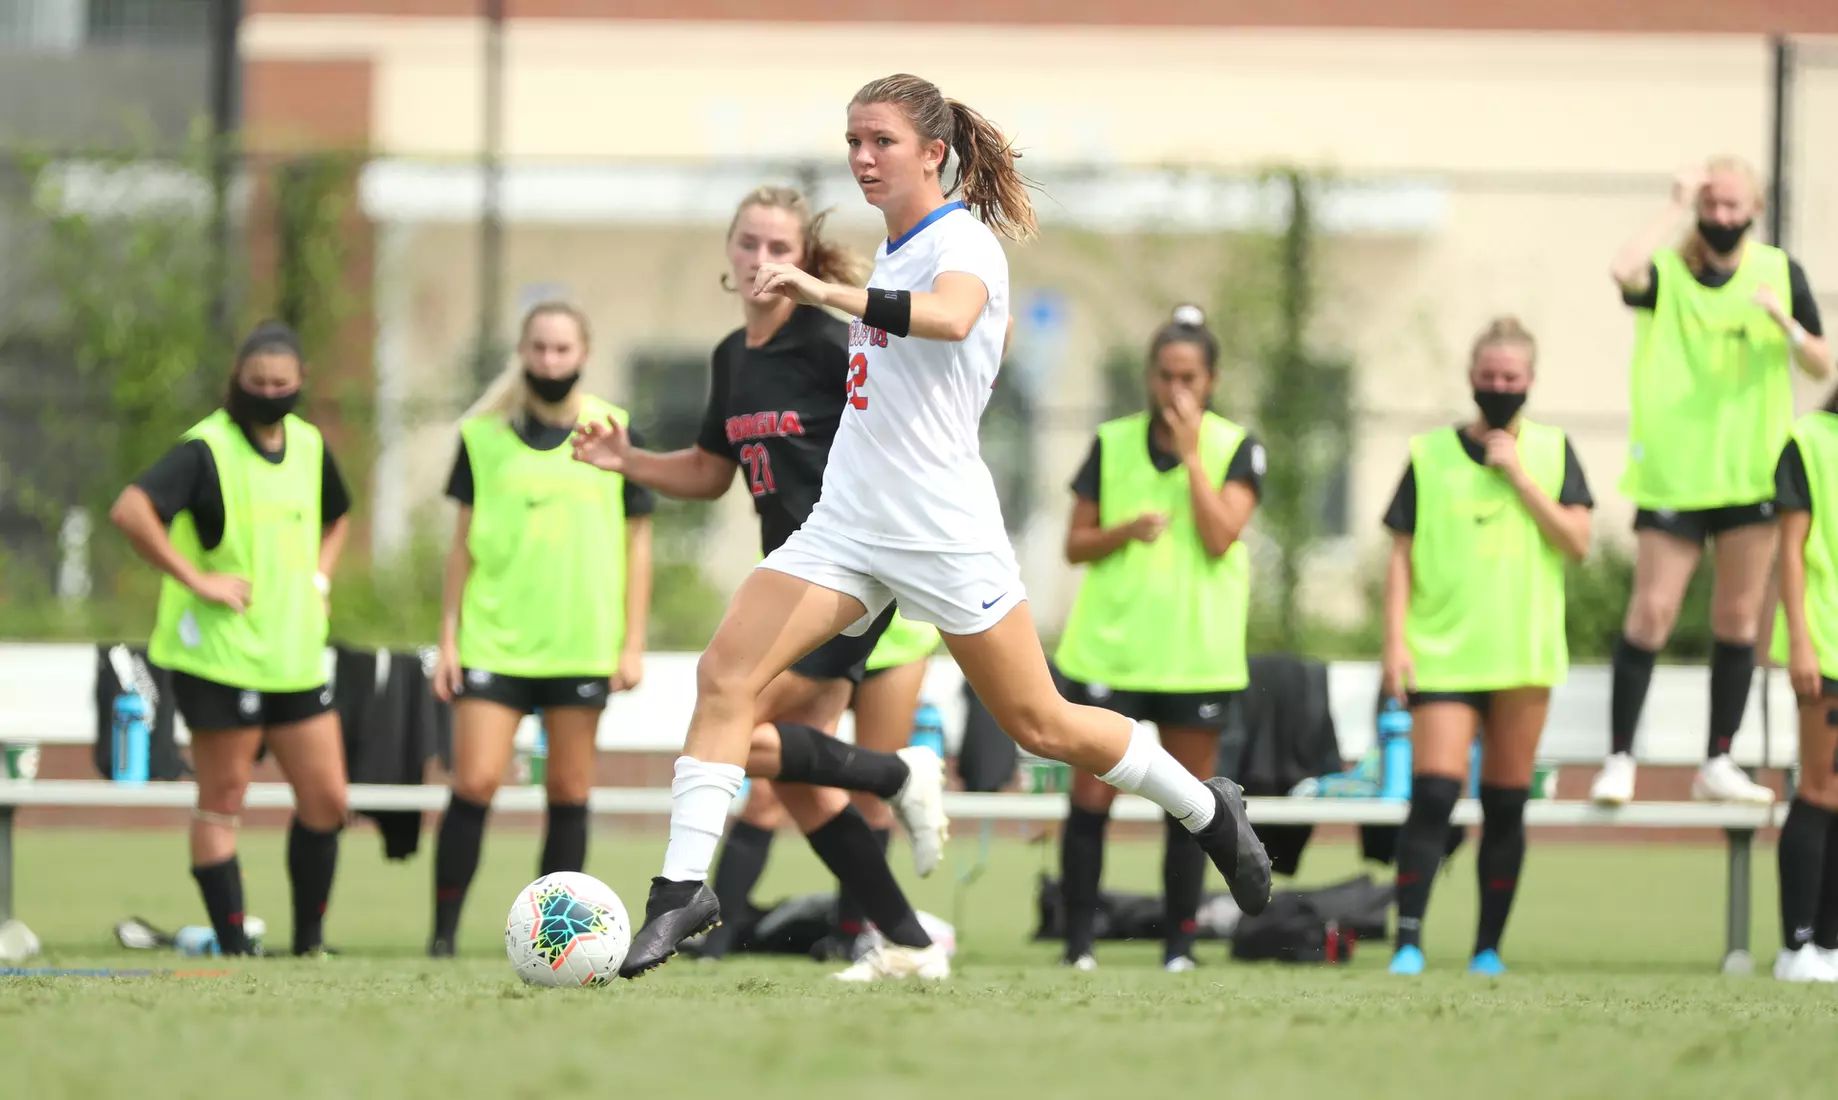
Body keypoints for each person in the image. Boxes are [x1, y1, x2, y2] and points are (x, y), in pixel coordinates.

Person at [575, 73, 1271, 982]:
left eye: (882, 141)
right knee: (725, 674)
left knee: (1042, 725)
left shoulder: (965, 244)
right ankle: (681, 890)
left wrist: (829, 295)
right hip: (848, 525)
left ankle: (1205, 807)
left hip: (943, 529)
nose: (862, 157)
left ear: (934, 152)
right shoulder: (893, 249)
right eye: (853, 141)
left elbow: (952, 319)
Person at [574, 185, 955, 979]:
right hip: (791, 578)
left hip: (844, 573)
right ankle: (909, 942)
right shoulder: (731, 357)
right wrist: (628, 460)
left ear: (803, 259)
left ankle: (889, 779)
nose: (761, 260)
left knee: (730, 714)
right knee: (801, 782)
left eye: (779, 248)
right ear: (730, 249)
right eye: (749, 243)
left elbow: (908, 415)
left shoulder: (827, 341)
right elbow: (712, 471)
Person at [1591, 157, 1832, 807]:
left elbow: (1820, 363)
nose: (1722, 217)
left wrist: (1785, 323)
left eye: (1733, 206)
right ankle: (1619, 758)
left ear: (1755, 208)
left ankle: (1718, 759)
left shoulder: (1779, 273)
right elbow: (1623, 269)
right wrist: (1674, 205)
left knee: (1738, 619)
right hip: (1675, 471)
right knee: (1653, 613)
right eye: (1711, 205)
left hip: (1750, 472)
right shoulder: (1671, 271)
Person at [108, 321, 351, 958]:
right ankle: (236, 943)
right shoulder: (204, 449)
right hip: (218, 657)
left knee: (328, 799)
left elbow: (339, 514)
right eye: (257, 382)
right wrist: (197, 578)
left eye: (281, 384)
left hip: (293, 655)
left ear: (299, 386)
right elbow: (130, 511)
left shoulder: (308, 444)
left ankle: (310, 943)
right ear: (236, 383)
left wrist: (320, 578)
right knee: (223, 799)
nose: (269, 392)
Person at [421, 302, 657, 956]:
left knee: (569, 791)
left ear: (582, 354)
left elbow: (639, 542)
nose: (550, 360)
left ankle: (555, 936)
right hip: (494, 640)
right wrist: (449, 638)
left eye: (562, 349)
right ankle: (442, 937)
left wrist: (631, 641)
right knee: (473, 783)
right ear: (522, 354)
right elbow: (460, 547)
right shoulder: (482, 438)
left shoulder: (611, 430)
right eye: (539, 349)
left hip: (580, 641)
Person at [1052, 303, 1265, 973]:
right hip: (1110, 651)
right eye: (1166, 376)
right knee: (1089, 801)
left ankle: (1179, 948)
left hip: (1194, 657)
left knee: (1192, 804)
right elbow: (1074, 544)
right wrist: (1123, 530)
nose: (1177, 391)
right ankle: (1078, 946)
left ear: (1212, 380)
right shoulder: (1111, 442)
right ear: (1149, 375)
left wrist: (1192, 459)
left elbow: (1220, 534)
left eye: (1190, 378)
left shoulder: (1237, 448)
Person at [1379, 317, 1594, 976]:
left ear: (1529, 382)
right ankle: (1408, 942)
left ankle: (1487, 949)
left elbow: (1577, 543)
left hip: (1522, 655)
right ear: (1472, 378)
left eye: (1512, 378)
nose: (1500, 386)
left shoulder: (1554, 452)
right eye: (1490, 376)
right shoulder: (1428, 455)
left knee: (1505, 802)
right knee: (1435, 794)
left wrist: (1522, 478)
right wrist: (1394, 643)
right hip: (1443, 652)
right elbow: (1401, 555)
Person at [697, 608, 941, 964]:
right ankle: (716, 938)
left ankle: (850, 936)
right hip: (813, 625)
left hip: (896, 640)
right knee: (763, 789)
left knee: (872, 802)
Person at [1766, 390, 1838, 982]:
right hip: (1828, 645)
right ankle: (1797, 946)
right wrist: (1802, 641)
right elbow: (1789, 553)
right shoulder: (1810, 440)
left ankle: (1831, 945)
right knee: (1820, 788)